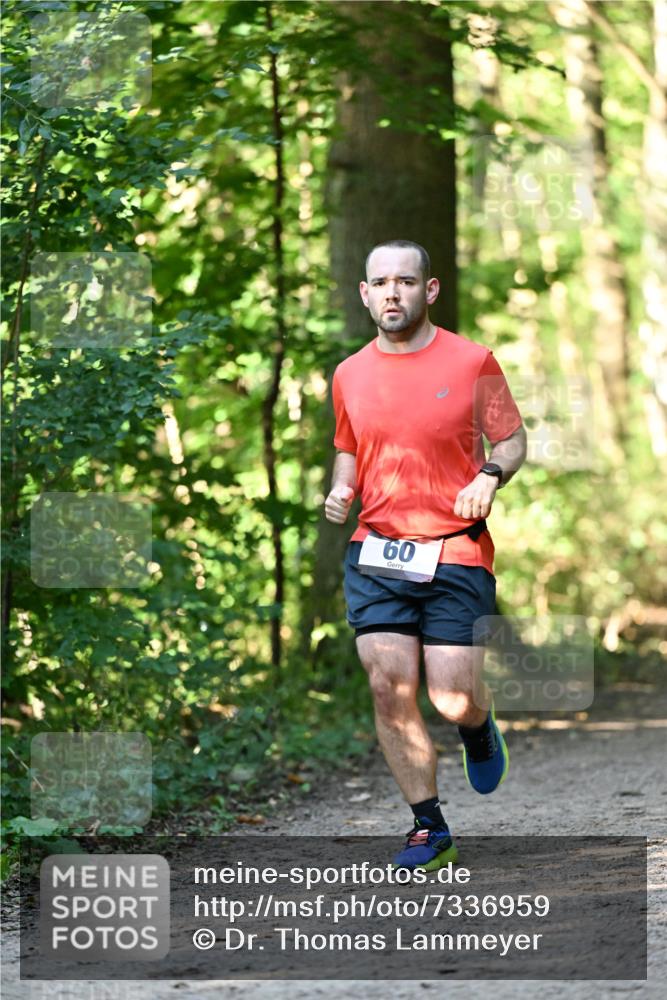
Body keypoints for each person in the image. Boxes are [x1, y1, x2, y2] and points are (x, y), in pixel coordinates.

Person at [324, 240, 527, 871]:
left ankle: (477, 725)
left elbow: (513, 438)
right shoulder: (349, 373)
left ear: (428, 291)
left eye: (405, 282)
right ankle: (429, 828)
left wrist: (490, 474)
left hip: (455, 552)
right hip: (378, 550)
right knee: (389, 686)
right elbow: (349, 447)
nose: (392, 293)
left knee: (452, 697)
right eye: (380, 282)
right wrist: (341, 485)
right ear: (364, 294)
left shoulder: (473, 361)